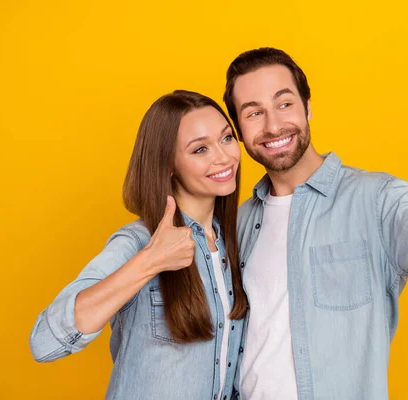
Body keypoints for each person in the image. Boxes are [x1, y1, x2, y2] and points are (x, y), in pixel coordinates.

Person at [222, 48, 408, 400]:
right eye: (254, 113)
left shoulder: (376, 199)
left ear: (307, 107)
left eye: (284, 104)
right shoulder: (238, 222)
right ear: (238, 130)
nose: (273, 125)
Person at [29, 90, 247, 400]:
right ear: (168, 164)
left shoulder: (233, 242)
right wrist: (151, 261)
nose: (224, 157)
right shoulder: (137, 242)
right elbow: (45, 343)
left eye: (226, 138)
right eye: (200, 149)